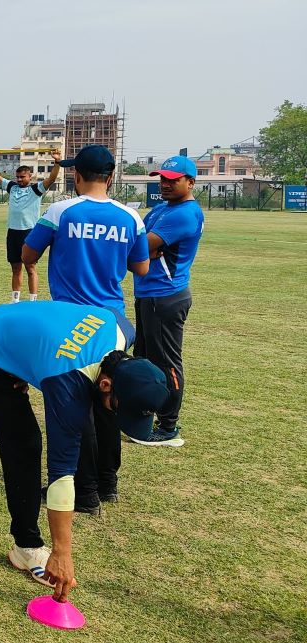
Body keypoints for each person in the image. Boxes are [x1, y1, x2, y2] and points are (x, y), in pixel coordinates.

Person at [0, 302, 169, 600]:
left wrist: (27, 362)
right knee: (24, 442)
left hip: (13, 327)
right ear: (106, 383)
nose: (116, 417)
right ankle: (26, 546)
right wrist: (61, 552)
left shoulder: (121, 328)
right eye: (117, 408)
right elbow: (62, 477)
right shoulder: (66, 383)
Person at [21, 144, 149, 514]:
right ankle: (108, 482)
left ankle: (85, 491)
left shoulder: (61, 211)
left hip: (72, 323)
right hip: (112, 322)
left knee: (77, 405)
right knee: (107, 399)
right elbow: (141, 268)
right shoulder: (131, 217)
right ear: (111, 177)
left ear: (76, 175)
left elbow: (28, 255)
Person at [131, 155, 204, 447]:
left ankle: (168, 426)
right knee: (144, 359)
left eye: (173, 180)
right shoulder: (162, 208)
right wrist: (143, 250)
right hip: (149, 294)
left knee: (166, 364)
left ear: (191, 182)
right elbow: (137, 241)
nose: (165, 184)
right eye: (162, 178)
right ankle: (143, 417)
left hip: (166, 296)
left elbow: (136, 245)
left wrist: (143, 250)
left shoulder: (185, 213)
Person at [0, 151, 62, 302]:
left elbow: (52, 178)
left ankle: (33, 301)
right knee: (15, 268)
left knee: (30, 268)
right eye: (18, 177)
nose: (20, 179)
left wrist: (57, 162)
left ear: (30, 177)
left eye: (23, 177)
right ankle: (15, 300)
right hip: (13, 232)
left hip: (29, 233)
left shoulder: (36, 189)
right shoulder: (12, 187)